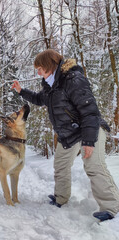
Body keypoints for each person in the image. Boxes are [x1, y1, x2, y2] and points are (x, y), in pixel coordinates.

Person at [11, 49, 119, 221]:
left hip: (89, 129)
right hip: (68, 134)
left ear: (49, 65)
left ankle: (110, 207)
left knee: (93, 166)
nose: (37, 72)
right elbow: (40, 99)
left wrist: (89, 141)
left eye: (39, 67)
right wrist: (21, 90)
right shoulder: (50, 85)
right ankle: (61, 198)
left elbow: (90, 111)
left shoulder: (73, 80)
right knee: (60, 165)